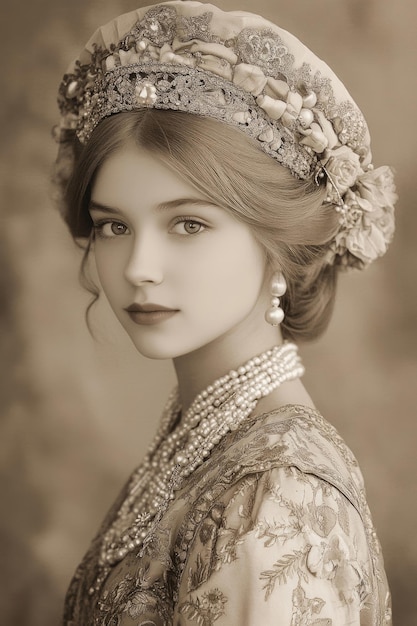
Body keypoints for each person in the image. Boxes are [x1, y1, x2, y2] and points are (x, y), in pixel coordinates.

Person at [53, 1, 397, 624]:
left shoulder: (279, 497)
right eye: (114, 226)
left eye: (188, 223)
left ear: (278, 242)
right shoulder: (202, 439)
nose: (138, 267)